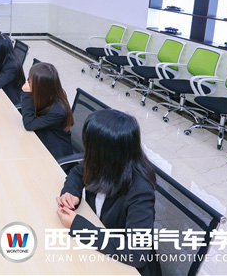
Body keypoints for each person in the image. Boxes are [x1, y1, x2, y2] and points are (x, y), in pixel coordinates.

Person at [57, 109, 160, 276]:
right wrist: (71, 192)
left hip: (126, 266)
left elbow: (137, 253)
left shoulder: (140, 191)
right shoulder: (105, 163)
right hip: (101, 247)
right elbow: (77, 172)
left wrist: (79, 227)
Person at [21, 62, 73, 161]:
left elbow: (29, 124)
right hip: (40, 137)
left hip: (53, 152)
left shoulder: (58, 111)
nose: (27, 84)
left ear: (41, 87)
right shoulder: (47, 94)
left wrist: (27, 95)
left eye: (30, 82)